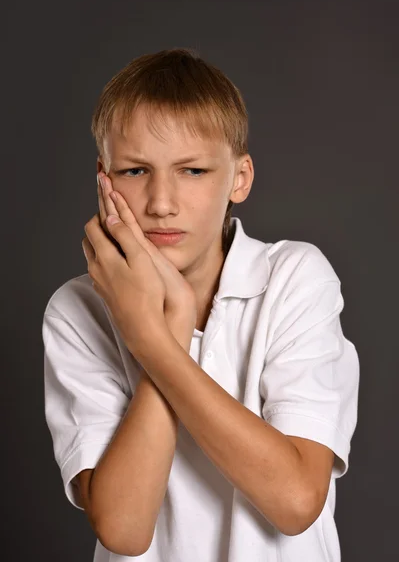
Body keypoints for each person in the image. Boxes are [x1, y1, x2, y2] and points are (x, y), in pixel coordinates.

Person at [42, 47, 360, 561]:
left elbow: (296, 500)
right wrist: (166, 323)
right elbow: (124, 530)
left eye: (191, 171)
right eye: (134, 171)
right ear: (103, 179)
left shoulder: (294, 277)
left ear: (239, 178)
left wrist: (153, 337)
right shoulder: (76, 310)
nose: (161, 202)